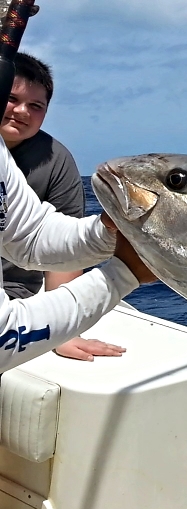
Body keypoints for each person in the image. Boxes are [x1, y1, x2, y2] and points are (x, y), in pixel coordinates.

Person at [1, 52, 125, 361]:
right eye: (11, 98)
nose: (21, 111)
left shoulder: (56, 160)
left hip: (16, 292)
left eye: (35, 106)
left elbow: (48, 242)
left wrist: (64, 333)